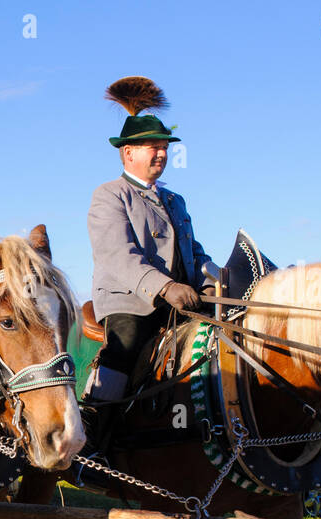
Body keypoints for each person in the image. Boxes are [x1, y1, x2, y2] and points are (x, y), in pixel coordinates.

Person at [83, 76, 219, 444]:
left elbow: (196, 252)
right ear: (128, 153)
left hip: (185, 301)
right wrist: (166, 287)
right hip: (131, 302)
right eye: (152, 147)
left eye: (164, 147)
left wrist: (216, 281)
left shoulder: (176, 200)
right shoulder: (109, 195)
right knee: (124, 350)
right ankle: (94, 438)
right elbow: (117, 255)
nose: (161, 154)